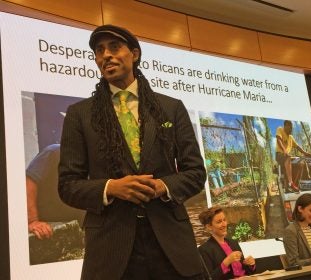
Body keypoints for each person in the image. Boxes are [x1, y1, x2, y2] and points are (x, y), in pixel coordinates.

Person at [58, 24, 206, 280]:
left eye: (114, 47)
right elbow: (68, 185)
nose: (105, 55)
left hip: (171, 245)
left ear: (134, 54)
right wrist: (110, 188)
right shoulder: (79, 115)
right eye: (99, 50)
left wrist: (162, 186)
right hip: (111, 250)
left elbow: (195, 172)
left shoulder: (171, 108)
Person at [26, 144, 84, 239]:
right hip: (48, 225)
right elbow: (29, 182)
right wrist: (32, 221)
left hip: (74, 227)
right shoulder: (54, 152)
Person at [198, 207, 256, 280]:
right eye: (219, 222)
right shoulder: (204, 250)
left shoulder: (233, 243)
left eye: (224, 220)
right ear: (209, 227)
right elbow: (209, 278)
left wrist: (250, 264)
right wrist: (226, 262)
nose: (224, 224)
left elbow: (246, 271)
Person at [275, 120, 311, 193]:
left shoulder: (291, 137)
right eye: (290, 128)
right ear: (285, 126)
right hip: (279, 155)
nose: (291, 130)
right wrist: (284, 150)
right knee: (288, 157)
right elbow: (278, 140)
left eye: (292, 128)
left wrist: (305, 153)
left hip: (286, 156)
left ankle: (294, 184)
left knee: (300, 163)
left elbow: (297, 146)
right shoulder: (280, 129)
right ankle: (290, 183)